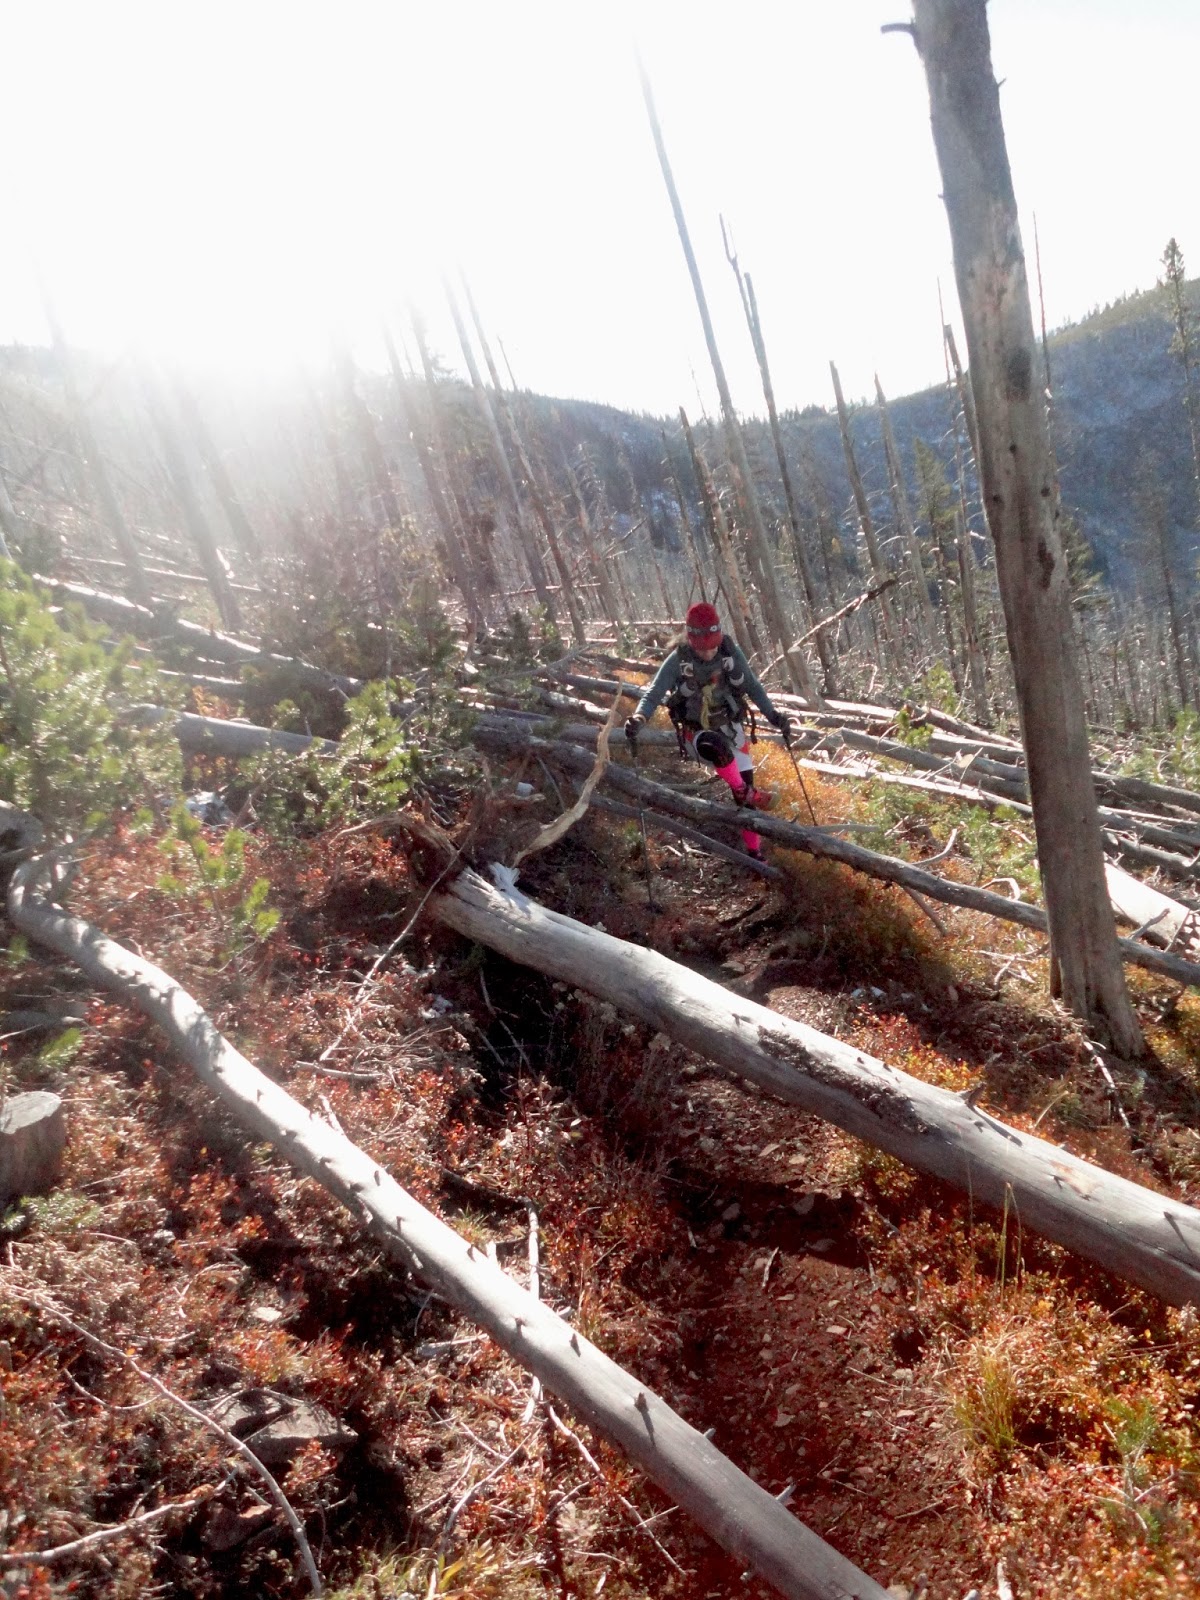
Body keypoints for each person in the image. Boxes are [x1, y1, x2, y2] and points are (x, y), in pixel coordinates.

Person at [624, 601, 794, 862]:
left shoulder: (729, 653)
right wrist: (638, 718)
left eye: (713, 645)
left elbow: (753, 686)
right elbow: (653, 693)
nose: (709, 652)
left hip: (732, 729)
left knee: (745, 801)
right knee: (718, 746)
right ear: (690, 639)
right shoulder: (678, 661)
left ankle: (754, 854)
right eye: (703, 648)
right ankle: (742, 790)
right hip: (699, 736)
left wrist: (774, 716)